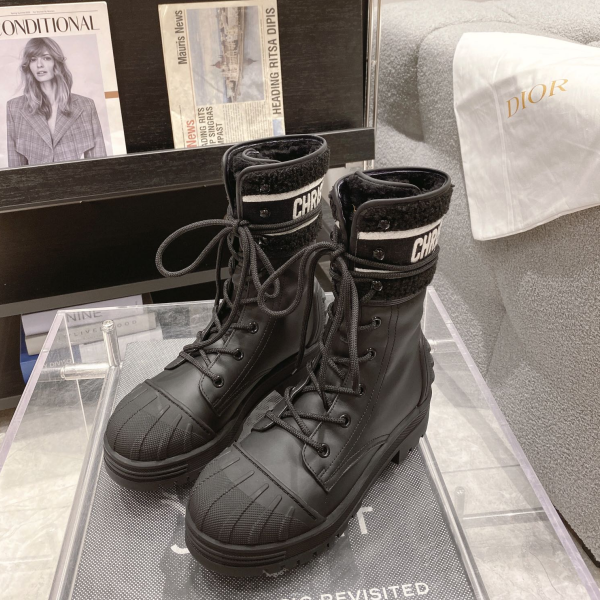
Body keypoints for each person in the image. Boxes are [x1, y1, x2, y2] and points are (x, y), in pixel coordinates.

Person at [6, 37, 107, 167]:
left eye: (46, 58)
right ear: (28, 65)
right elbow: (16, 170)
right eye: (33, 59)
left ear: (56, 62)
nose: (39, 65)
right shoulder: (14, 108)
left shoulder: (86, 106)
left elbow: (100, 166)